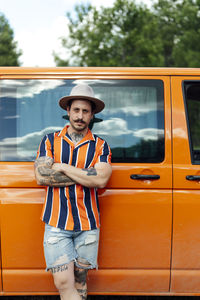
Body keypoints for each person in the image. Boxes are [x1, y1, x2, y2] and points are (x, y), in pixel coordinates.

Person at [34, 83, 112, 300]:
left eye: (85, 111)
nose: (80, 116)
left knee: (80, 282)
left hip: (88, 225)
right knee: (63, 283)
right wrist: (86, 176)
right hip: (57, 224)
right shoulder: (50, 140)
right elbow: (42, 176)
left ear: (92, 114)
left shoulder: (100, 146)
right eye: (76, 110)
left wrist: (62, 167)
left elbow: (102, 178)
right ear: (68, 111)